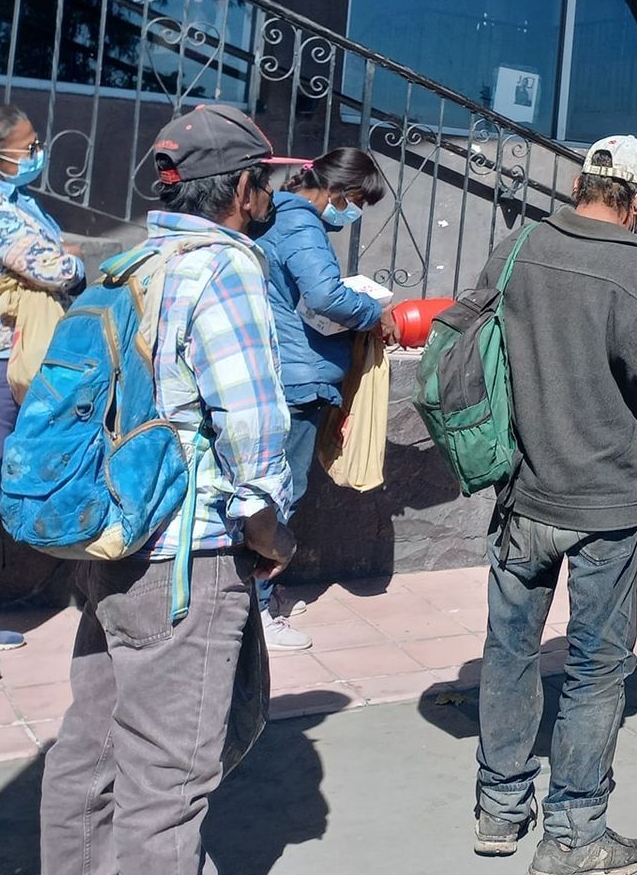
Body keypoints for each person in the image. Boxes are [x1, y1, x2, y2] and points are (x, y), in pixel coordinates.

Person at [40, 104, 296, 874]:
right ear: (243, 188)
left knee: (90, 753)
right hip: (189, 556)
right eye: (266, 183)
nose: (269, 199)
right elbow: (250, 417)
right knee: (168, 785)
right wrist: (267, 523)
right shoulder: (224, 265)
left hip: (114, 537)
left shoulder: (133, 259)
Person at [472, 136, 637, 872]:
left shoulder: (520, 248)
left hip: (522, 490)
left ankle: (499, 809)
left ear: (582, 185)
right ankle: (575, 833)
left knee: (509, 650)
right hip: (604, 503)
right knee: (596, 665)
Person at [0, 100, 85, 688]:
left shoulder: (0, 200)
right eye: (29, 147)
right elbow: (57, 269)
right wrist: (71, 264)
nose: (37, 154)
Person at [251, 147, 396, 652]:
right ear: (339, 192)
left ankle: (254, 596)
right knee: (277, 496)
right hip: (295, 381)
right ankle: (258, 609)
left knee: (262, 492)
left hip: (273, 372)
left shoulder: (273, 214)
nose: (352, 215)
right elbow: (325, 295)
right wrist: (372, 313)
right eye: (355, 202)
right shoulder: (303, 224)